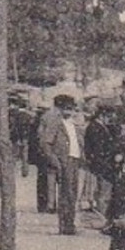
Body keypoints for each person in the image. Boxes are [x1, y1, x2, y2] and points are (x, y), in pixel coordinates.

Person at [40, 94, 84, 235]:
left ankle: (70, 223)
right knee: (66, 194)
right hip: (64, 161)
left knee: (73, 193)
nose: (69, 112)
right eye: (67, 109)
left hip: (74, 160)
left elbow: (79, 143)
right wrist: (55, 160)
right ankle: (65, 225)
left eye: (72, 109)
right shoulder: (56, 124)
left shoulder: (74, 125)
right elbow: (46, 143)